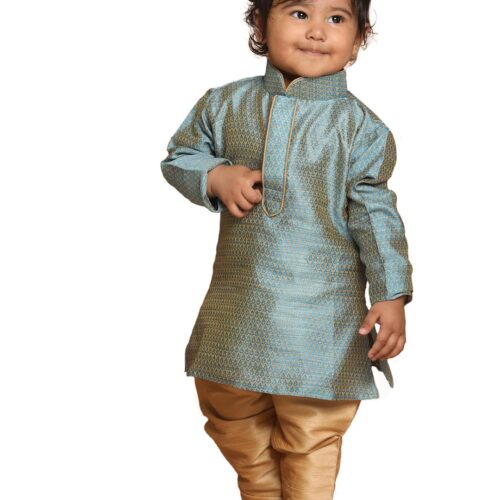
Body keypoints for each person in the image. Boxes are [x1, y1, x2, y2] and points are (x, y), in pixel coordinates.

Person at [160, 0, 414, 498]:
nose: (317, 31)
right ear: (260, 22)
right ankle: (261, 488)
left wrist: (391, 294)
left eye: (336, 19)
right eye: (299, 13)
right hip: (237, 311)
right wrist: (214, 175)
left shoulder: (361, 129)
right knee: (228, 411)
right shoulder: (224, 104)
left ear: (359, 38)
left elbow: (376, 214)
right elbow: (180, 155)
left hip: (323, 323)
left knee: (312, 434)